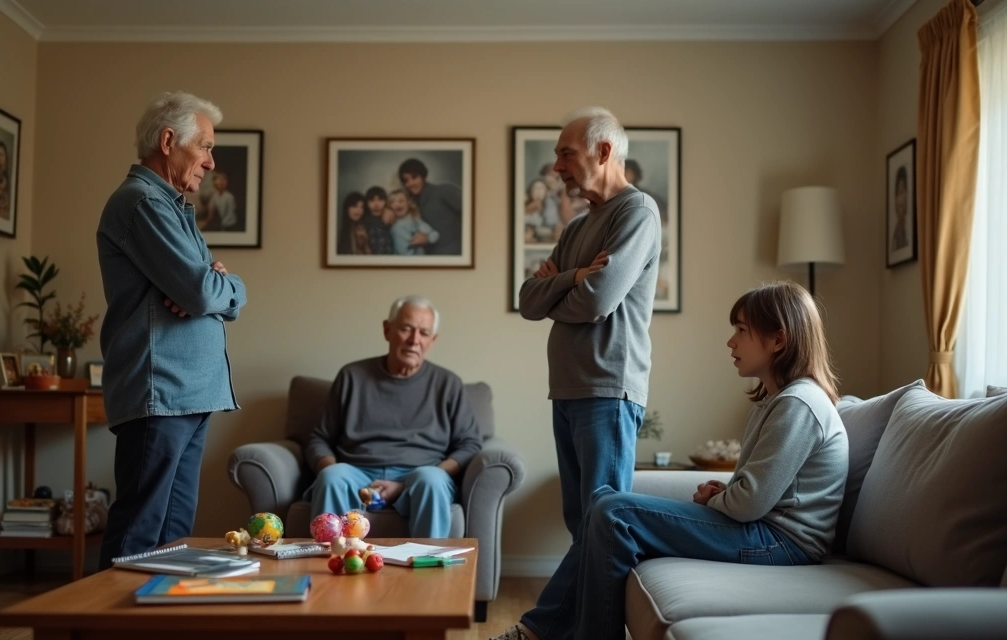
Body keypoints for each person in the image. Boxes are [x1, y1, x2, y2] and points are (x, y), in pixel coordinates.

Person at [495, 281, 849, 640]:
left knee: (614, 512)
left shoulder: (799, 404)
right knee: (605, 502)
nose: (731, 342)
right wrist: (724, 492)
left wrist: (720, 498)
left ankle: (549, 632)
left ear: (779, 340)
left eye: (741, 331)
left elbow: (752, 503)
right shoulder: (775, 403)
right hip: (765, 531)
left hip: (782, 544)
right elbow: (758, 490)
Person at [516, 106, 662, 636]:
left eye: (565, 153)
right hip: (570, 389)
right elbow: (527, 300)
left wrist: (566, 287)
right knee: (584, 526)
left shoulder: (637, 213)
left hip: (609, 388)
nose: (556, 166)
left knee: (601, 524)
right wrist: (575, 275)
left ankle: (535, 629)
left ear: (603, 152)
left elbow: (599, 301)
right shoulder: (579, 227)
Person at [95, 91, 246, 569]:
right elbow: (203, 292)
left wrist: (220, 287)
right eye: (203, 145)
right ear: (168, 141)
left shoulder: (173, 208)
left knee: (172, 537)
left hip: (189, 394)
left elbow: (205, 291)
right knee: (139, 529)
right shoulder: (142, 204)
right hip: (161, 391)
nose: (210, 159)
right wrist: (218, 287)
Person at [303, 296, 483, 538]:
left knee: (432, 479)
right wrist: (333, 467)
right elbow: (319, 438)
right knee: (332, 476)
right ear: (388, 330)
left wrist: (407, 483)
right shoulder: (352, 376)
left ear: (433, 340)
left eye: (424, 333)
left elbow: (470, 444)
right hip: (358, 475)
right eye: (406, 329)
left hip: (418, 477)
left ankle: (427, 568)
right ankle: (329, 567)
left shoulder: (448, 384)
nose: (414, 340)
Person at [398, 158, 463, 255]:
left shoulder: (444, 190)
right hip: (430, 260)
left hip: (456, 257)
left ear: (423, 176)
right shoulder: (410, 203)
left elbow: (475, 214)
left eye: (414, 177)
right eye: (406, 181)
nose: (410, 183)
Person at [388, 188, 438, 255]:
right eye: (392, 202)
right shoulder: (390, 222)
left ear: (408, 203)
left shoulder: (414, 220)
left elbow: (434, 234)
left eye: (401, 201)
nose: (397, 204)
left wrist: (426, 239)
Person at [363, 185, 395, 254]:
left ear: (385, 201)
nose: (376, 204)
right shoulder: (365, 219)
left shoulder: (389, 215)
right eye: (372, 200)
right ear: (367, 202)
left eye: (380, 200)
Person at [892, 166, 909, 251]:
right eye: (899, 192)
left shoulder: (907, 231)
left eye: (903, 192)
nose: (900, 199)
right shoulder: (896, 234)